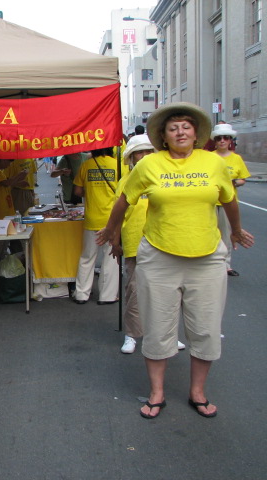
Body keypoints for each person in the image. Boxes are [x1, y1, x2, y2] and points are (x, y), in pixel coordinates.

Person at [97, 102, 254, 419]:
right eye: (173, 128)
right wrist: (112, 232)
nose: (180, 132)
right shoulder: (149, 165)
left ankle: (198, 392)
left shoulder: (214, 163)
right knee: (157, 328)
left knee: (205, 329)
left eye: (186, 127)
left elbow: (229, 199)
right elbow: (124, 200)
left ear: (196, 134)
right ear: (164, 136)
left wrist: (236, 230)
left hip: (207, 259)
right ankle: (157, 392)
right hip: (158, 257)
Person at [112, 135, 187, 355]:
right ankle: (132, 334)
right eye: (139, 152)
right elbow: (117, 214)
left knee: (167, 293)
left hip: (164, 242)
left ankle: (168, 335)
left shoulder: (164, 177)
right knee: (135, 291)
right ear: (131, 157)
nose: (143, 156)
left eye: (147, 151)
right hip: (134, 242)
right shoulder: (125, 181)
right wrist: (115, 241)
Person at [71, 148, 119, 305]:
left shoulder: (86, 165)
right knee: (111, 258)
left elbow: (77, 191)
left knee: (87, 257)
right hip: (112, 220)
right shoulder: (118, 165)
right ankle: (107, 296)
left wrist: (91, 192)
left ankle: (81, 294)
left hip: (92, 218)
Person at [210, 123, 251, 276]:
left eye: (225, 138)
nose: (222, 141)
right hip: (210, 201)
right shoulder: (209, 157)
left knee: (227, 233)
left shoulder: (236, 158)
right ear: (215, 141)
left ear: (230, 141)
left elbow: (243, 179)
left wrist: (234, 182)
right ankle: (209, 260)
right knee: (209, 231)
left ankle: (226, 264)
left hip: (227, 202)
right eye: (219, 138)